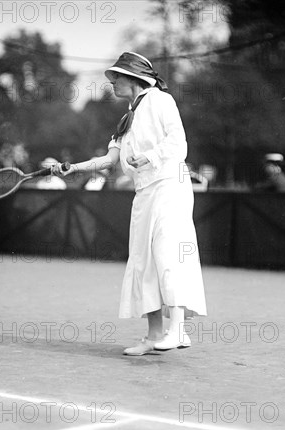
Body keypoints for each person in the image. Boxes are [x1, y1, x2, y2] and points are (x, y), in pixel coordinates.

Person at [53, 51, 207, 356]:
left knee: (167, 252)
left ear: (134, 78)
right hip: (145, 192)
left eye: (117, 77)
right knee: (142, 261)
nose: (112, 82)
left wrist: (149, 156)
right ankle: (153, 335)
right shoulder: (127, 116)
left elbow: (178, 143)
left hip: (170, 185)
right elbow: (109, 160)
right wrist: (74, 168)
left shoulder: (162, 100)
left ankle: (177, 330)